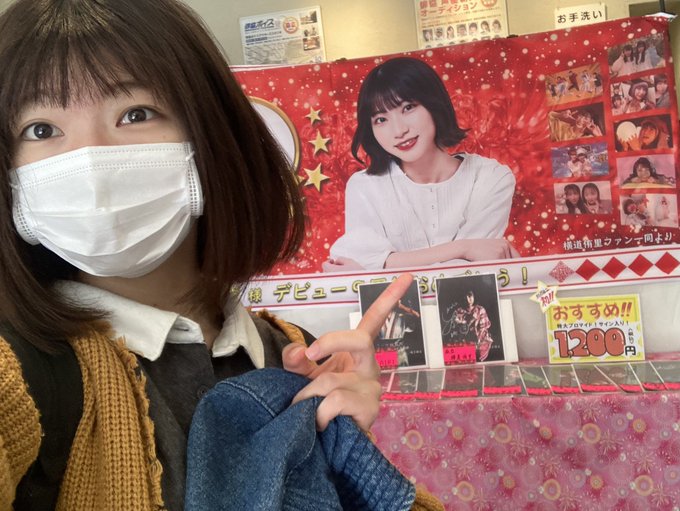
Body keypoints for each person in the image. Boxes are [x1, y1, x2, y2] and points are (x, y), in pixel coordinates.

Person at [0, 1, 438, 510]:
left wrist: (351, 464)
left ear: (210, 134)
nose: (89, 159)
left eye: (135, 114)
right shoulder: (18, 367)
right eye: (41, 130)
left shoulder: (295, 352)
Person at [324, 57, 517, 272]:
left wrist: (383, 264)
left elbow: (467, 272)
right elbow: (360, 258)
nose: (399, 131)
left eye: (408, 107)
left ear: (434, 103)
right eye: (381, 119)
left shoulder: (491, 178)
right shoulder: (365, 186)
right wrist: (464, 248)